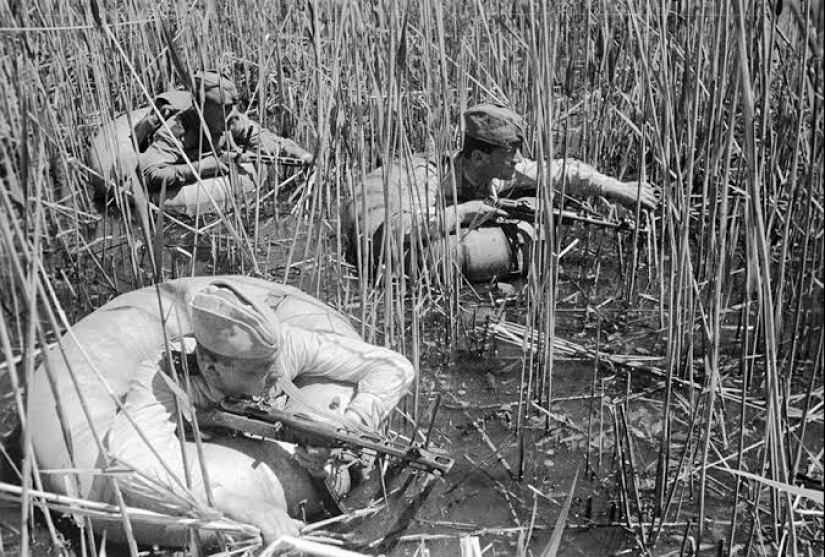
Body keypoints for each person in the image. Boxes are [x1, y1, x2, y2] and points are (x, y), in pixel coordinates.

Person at [100, 279, 415, 545]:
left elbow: (393, 366)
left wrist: (353, 421)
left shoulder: (285, 346)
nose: (278, 374)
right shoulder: (164, 377)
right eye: (264, 371)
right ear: (211, 369)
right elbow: (130, 462)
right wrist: (235, 504)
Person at [342, 103, 658, 282]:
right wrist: (465, 213)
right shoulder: (426, 181)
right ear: (479, 158)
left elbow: (560, 170)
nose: (519, 161)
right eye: (511, 153)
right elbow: (393, 230)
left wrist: (617, 188)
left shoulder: (500, 171)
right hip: (381, 201)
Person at [137, 70, 313, 200]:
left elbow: (267, 140)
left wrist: (302, 155)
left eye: (233, 106)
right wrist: (202, 167)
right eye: (225, 108)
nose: (235, 113)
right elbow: (148, 175)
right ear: (203, 109)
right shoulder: (176, 131)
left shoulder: (231, 120)